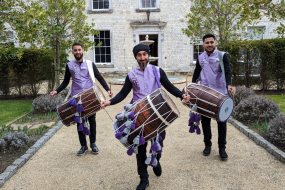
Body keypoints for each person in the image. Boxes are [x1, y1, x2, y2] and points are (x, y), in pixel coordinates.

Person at [100, 44, 190, 190]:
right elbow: (123, 94)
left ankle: (156, 160)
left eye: (145, 54)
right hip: (138, 115)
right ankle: (144, 179)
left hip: (157, 115)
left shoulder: (157, 71)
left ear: (149, 55)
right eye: (139, 55)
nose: (142, 57)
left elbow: (169, 87)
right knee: (140, 148)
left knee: (159, 142)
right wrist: (109, 102)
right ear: (136, 57)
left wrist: (182, 95)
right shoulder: (131, 75)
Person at [50, 43, 113, 156]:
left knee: (92, 121)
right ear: (73, 52)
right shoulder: (69, 65)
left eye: (79, 50)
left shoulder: (90, 64)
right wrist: (56, 91)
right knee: (79, 121)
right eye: (75, 50)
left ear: (83, 50)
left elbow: (99, 77)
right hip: (77, 98)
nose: (77, 52)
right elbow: (65, 81)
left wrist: (108, 89)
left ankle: (93, 144)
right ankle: (83, 146)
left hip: (90, 97)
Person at [192, 34, 236, 161]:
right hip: (205, 93)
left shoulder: (222, 56)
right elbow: (196, 72)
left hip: (220, 93)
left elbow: (227, 71)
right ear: (203, 45)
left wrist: (229, 85)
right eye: (207, 42)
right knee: (205, 121)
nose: (210, 44)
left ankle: (222, 148)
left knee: (221, 121)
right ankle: (207, 145)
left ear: (215, 43)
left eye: (212, 42)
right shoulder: (200, 57)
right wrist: (193, 86)